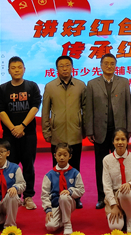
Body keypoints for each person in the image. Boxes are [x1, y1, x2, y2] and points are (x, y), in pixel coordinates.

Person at [85, 53, 131, 209]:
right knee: (101, 165)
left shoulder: (124, 82)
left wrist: (129, 129)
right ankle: (102, 197)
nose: (109, 66)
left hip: (119, 131)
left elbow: (128, 107)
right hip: (100, 131)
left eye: (112, 63)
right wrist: (89, 130)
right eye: (106, 63)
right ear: (100, 65)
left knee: (120, 164)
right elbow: (89, 109)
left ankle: (120, 195)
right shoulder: (92, 84)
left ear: (116, 65)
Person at [0, 56, 42, 209]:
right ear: (8, 70)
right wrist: (13, 128)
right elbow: (0, 110)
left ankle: (28, 196)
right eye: (13, 68)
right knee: (11, 166)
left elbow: (35, 107)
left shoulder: (32, 86)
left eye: (19, 67)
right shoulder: (2, 89)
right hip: (10, 135)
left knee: (28, 166)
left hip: (28, 134)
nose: (16, 70)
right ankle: (13, 196)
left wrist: (22, 126)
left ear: (24, 69)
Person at [42, 55, 86, 208]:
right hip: (57, 133)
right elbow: (45, 111)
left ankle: (76, 198)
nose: (65, 68)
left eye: (67, 65)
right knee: (58, 167)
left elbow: (86, 109)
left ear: (72, 67)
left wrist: (85, 129)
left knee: (75, 167)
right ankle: (56, 196)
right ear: (57, 68)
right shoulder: (50, 87)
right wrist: (46, 131)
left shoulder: (81, 85)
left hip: (75, 132)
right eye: (61, 66)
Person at [102, 129, 131, 234]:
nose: (120, 142)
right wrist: (113, 205)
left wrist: (129, 184)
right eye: (117, 139)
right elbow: (107, 186)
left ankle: (129, 219)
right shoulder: (106, 160)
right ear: (113, 142)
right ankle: (121, 213)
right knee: (116, 227)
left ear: (127, 141)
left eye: (123, 139)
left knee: (124, 191)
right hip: (113, 195)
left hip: (128, 194)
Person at [42, 142, 85, 235]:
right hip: (55, 204)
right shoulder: (49, 175)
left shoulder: (75, 173)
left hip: (69, 202)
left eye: (65, 155)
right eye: (59, 155)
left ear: (70, 156)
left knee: (64, 196)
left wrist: (71, 191)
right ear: (55, 156)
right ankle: (61, 219)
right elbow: (44, 194)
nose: (62, 157)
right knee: (50, 227)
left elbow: (81, 190)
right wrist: (48, 209)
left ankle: (67, 224)